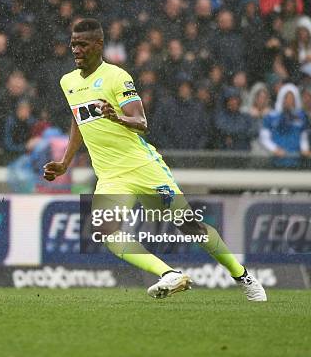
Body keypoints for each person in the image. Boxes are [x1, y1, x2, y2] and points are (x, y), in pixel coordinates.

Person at [43, 18, 266, 301]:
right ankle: (168, 274)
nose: (76, 49)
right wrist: (65, 162)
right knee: (105, 230)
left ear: (99, 45)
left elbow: (141, 120)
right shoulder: (68, 82)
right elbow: (78, 120)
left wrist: (117, 117)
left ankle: (242, 276)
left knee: (190, 227)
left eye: (83, 44)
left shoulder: (117, 77)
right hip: (111, 176)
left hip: (143, 167)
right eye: (73, 44)